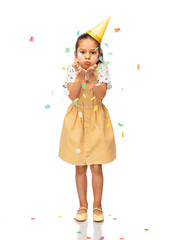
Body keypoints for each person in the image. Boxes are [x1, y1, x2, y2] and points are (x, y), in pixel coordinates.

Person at [58, 17, 117, 222]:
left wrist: (92, 77)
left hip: (97, 118)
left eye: (93, 52)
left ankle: (97, 206)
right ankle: (82, 205)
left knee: (97, 165)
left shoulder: (102, 69)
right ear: (76, 54)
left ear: (99, 54)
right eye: (83, 52)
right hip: (77, 119)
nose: (87, 57)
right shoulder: (72, 70)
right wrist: (80, 77)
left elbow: (101, 95)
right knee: (80, 165)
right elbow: (73, 95)